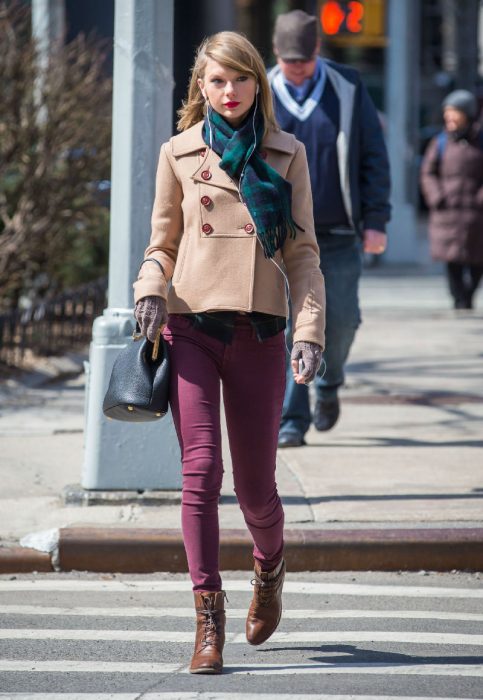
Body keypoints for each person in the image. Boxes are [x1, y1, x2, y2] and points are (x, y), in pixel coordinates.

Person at [133, 32, 325, 674]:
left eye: (240, 79)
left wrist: (308, 331)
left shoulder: (287, 153)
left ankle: (269, 570)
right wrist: (149, 291)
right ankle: (207, 617)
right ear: (202, 87)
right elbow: (161, 243)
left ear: (256, 84)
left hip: (260, 330)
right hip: (190, 324)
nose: (229, 91)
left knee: (255, 490)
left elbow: (302, 255)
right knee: (200, 472)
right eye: (217, 81)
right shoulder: (178, 153)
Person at [269, 10, 391, 448]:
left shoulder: (346, 86)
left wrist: (376, 219)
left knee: (340, 323)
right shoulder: (261, 90)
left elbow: (373, 155)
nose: (296, 67)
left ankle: (330, 380)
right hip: (280, 236)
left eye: (303, 58)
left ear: (317, 50)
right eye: (288, 59)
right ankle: (291, 419)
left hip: (337, 234)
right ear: (275, 52)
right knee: (289, 327)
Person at [420, 89, 483, 310]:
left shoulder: (480, 141)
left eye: (455, 112)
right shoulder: (440, 142)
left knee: (477, 257)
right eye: (447, 113)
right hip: (447, 211)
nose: (450, 118)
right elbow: (428, 172)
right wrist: (437, 196)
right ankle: (458, 298)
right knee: (451, 258)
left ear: (467, 114)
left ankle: (469, 295)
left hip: (476, 212)